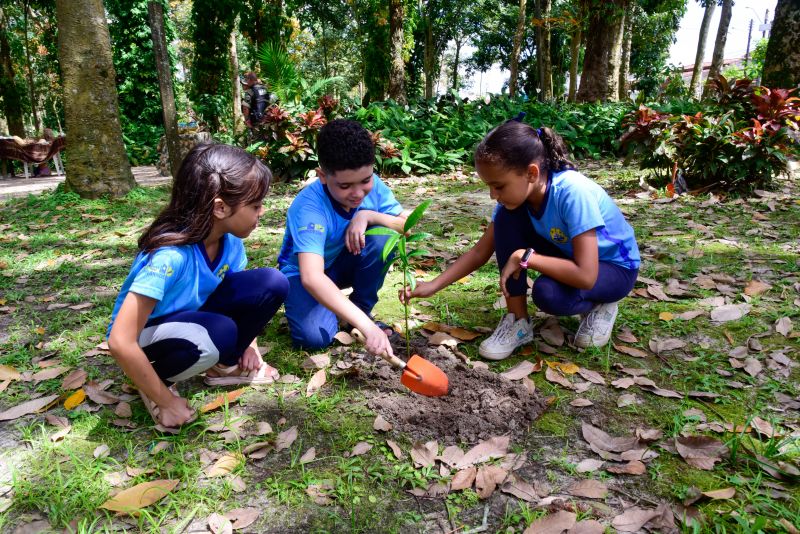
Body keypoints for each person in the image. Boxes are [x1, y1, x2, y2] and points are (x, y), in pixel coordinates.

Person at [401, 116, 640, 360]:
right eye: (489, 187)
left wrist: (527, 257)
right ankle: (518, 321)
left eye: (499, 186)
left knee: (548, 295)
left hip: (614, 268)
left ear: (531, 173)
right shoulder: (516, 201)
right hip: (569, 256)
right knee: (507, 219)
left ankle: (602, 303)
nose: (493, 195)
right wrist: (432, 286)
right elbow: (479, 252)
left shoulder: (572, 193)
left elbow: (586, 275)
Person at [107, 143, 289, 432]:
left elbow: (241, 298)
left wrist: (250, 344)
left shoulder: (230, 242)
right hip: (150, 337)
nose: (262, 212)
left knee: (272, 282)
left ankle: (225, 365)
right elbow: (120, 340)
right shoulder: (170, 256)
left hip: (196, 321)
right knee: (219, 333)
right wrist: (166, 401)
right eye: (255, 205)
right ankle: (155, 383)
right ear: (220, 207)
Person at [278, 119, 408, 357]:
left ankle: (358, 311)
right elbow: (312, 277)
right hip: (303, 274)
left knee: (383, 239)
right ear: (323, 176)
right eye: (346, 185)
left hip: (341, 263)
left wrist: (368, 216)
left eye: (366, 180)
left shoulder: (373, 186)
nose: (358, 193)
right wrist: (369, 329)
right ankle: (349, 316)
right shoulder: (309, 207)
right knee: (314, 339)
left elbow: (407, 226)